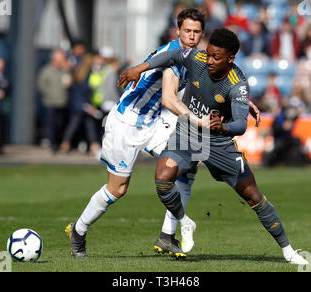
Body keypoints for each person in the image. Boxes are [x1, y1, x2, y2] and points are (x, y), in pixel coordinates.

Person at [65, 8, 261, 259]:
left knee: (187, 164)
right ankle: (79, 231)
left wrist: (242, 103)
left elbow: (215, 84)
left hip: (154, 123)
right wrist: (200, 121)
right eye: (187, 30)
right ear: (177, 31)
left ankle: (167, 236)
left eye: (197, 31)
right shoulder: (171, 55)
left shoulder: (197, 57)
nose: (191, 36)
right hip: (127, 122)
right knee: (118, 189)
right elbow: (169, 99)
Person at [119, 27, 309, 265]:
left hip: (218, 142)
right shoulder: (198, 58)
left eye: (215, 57)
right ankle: (184, 221)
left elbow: (240, 123)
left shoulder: (237, 84)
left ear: (230, 59)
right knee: (162, 177)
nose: (209, 60)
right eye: (208, 54)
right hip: (187, 133)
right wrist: (140, 67)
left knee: (253, 196)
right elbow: (172, 56)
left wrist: (222, 127)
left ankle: (288, 251)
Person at [37, 50, 72, 153]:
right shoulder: (47, 70)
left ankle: (58, 144)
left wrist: (68, 69)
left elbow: (69, 83)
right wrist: (49, 95)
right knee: (50, 125)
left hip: (62, 102)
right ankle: (51, 145)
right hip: (50, 103)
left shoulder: (65, 71)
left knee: (60, 124)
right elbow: (41, 85)